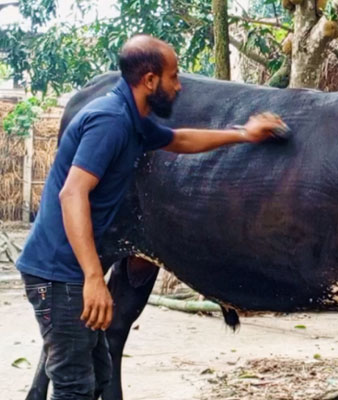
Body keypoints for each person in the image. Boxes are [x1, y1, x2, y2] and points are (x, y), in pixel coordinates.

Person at [15, 34, 287, 399]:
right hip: (57, 275)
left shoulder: (133, 119)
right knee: (74, 386)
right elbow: (72, 193)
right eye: (174, 77)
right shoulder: (109, 121)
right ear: (149, 81)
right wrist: (95, 278)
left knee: (95, 374)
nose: (179, 86)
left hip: (67, 271)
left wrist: (244, 134)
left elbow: (180, 140)